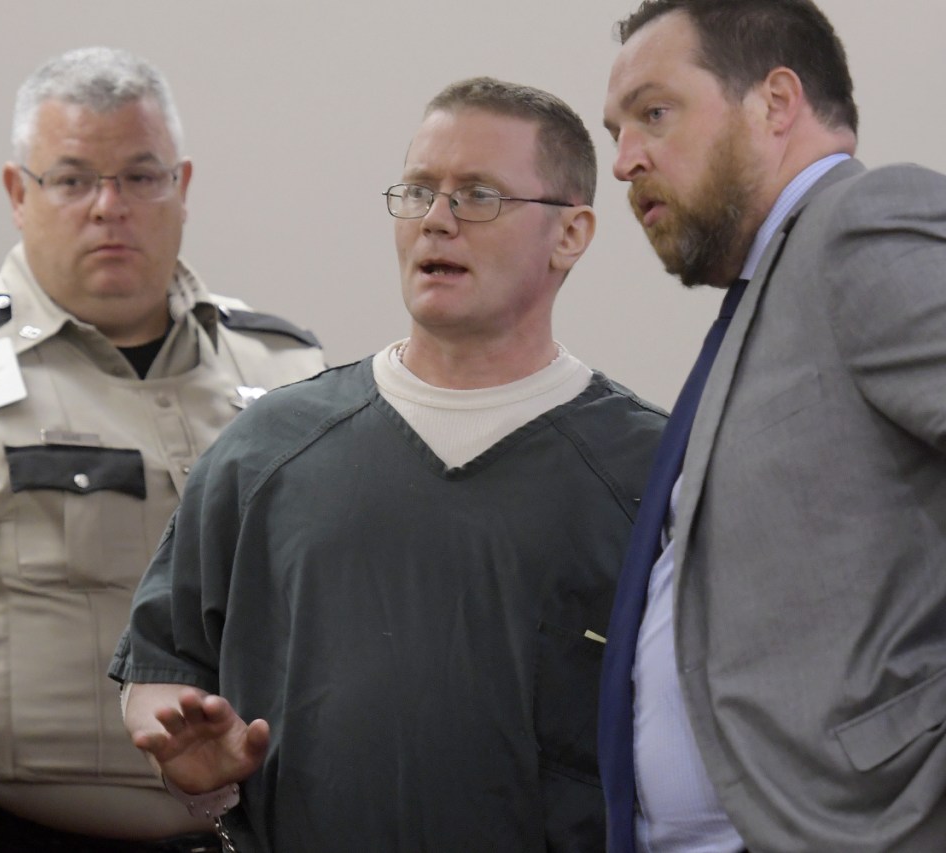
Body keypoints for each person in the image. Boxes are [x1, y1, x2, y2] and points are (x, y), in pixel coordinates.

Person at [110, 76, 666, 852]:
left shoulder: (649, 474)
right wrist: (190, 760)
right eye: (417, 192)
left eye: (478, 195)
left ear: (570, 234)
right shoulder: (268, 449)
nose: (437, 220)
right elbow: (163, 662)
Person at [0, 46, 324, 852]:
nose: (110, 206)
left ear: (182, 184)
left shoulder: (289, 373)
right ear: (17, 192)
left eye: (141, 177)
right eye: (72, 179)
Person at [598, 1, 946, 851]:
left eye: (654, 112)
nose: (623, 161)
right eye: (616, 129)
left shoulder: (860, 224)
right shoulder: (767, 293)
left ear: (776, 101)